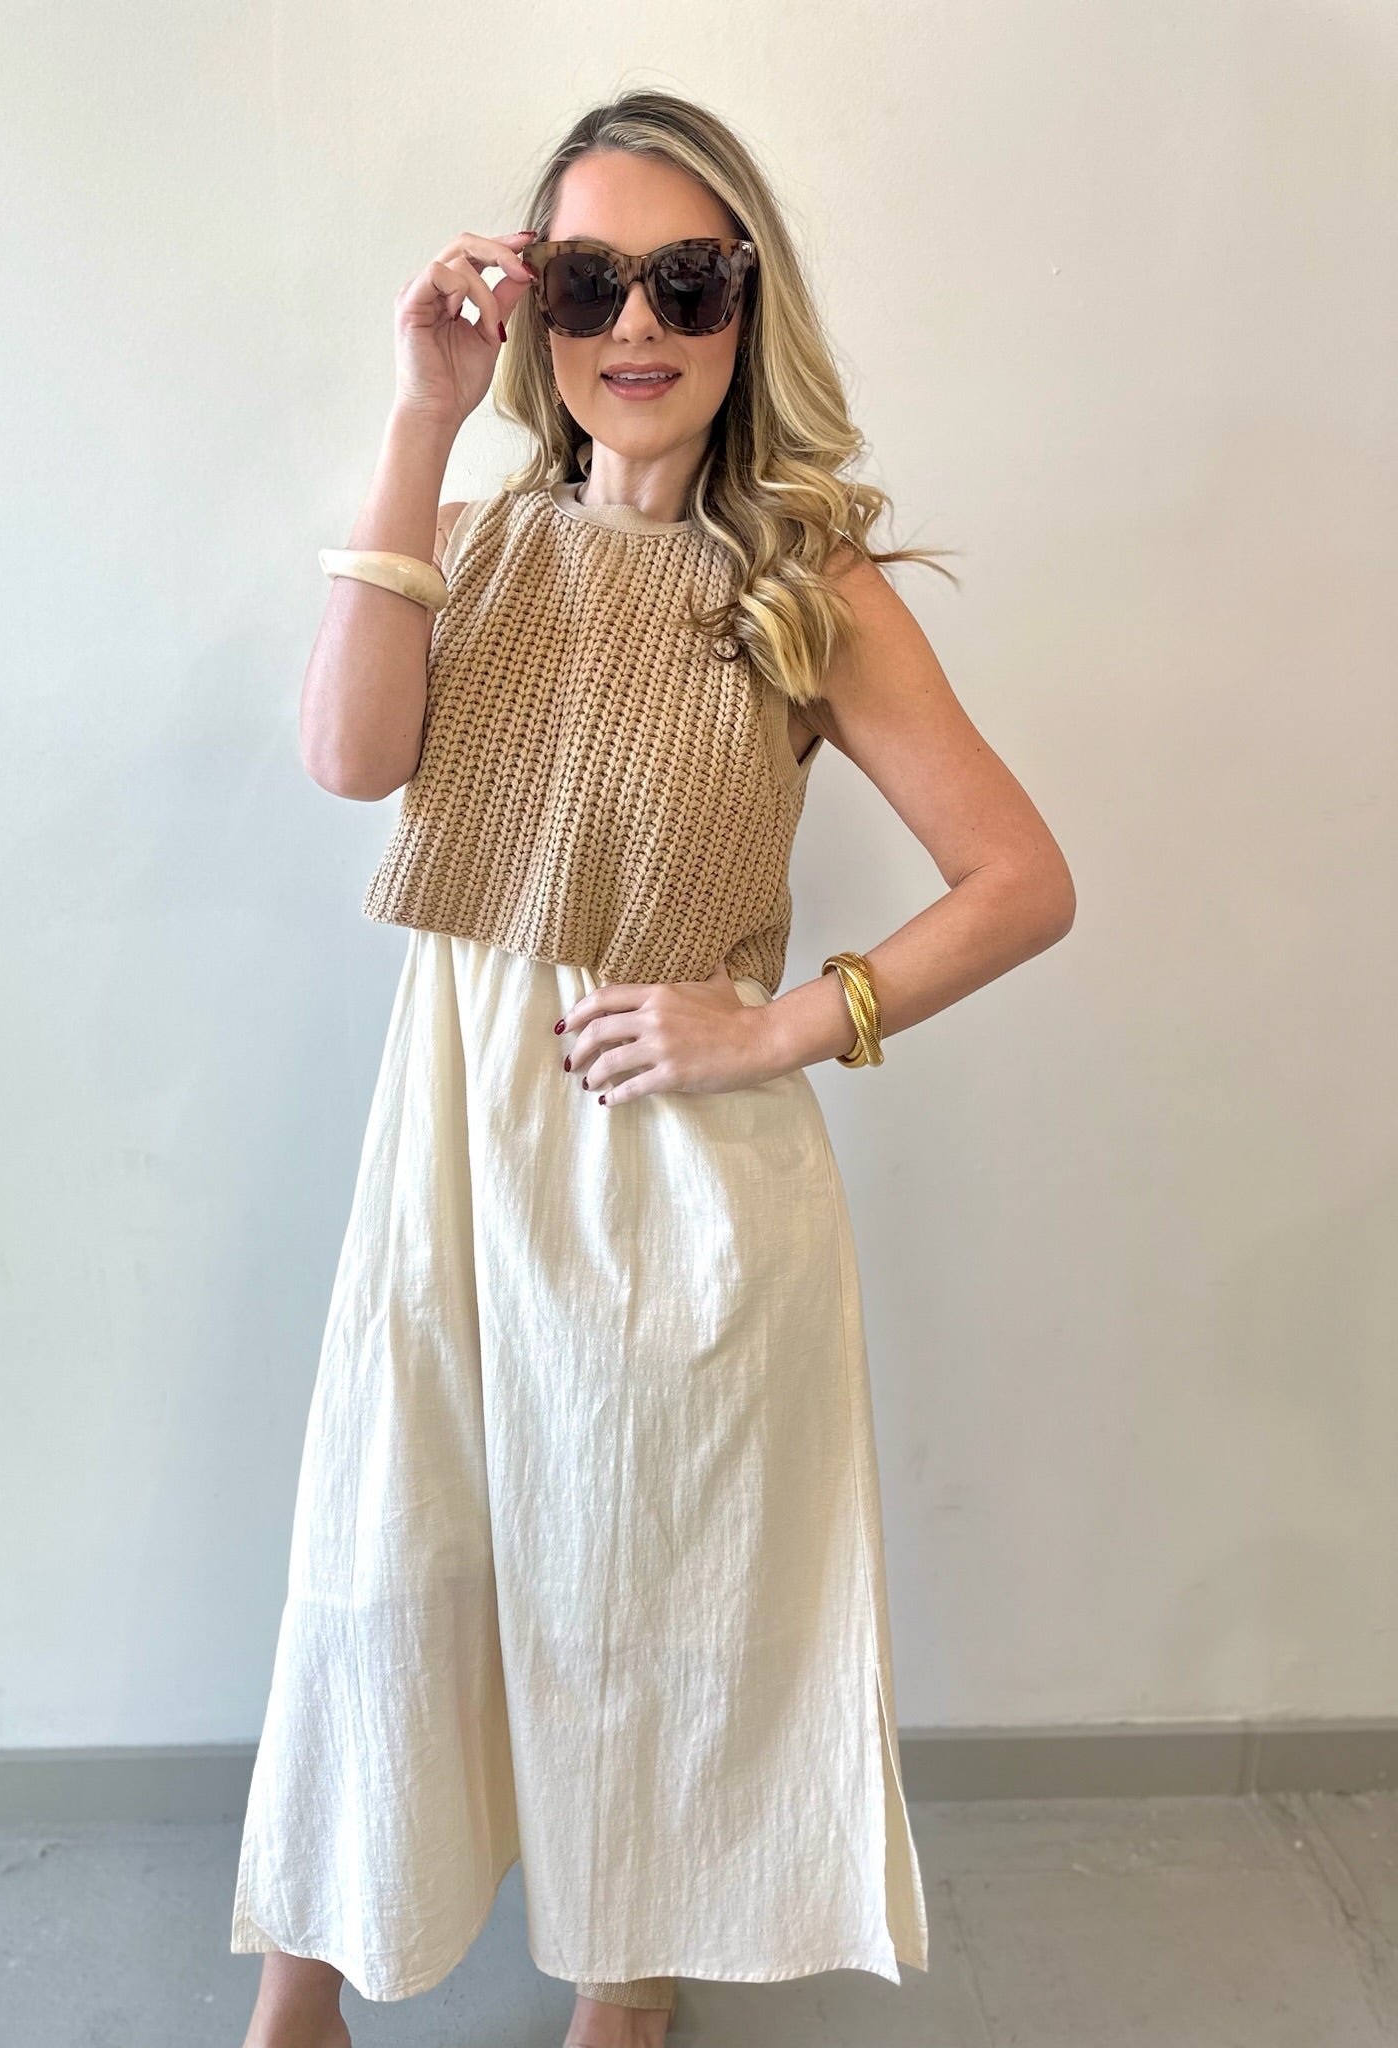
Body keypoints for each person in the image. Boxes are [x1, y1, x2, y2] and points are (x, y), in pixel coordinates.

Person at [231, 88, 1075, 2048]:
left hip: (676, 1170)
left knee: (646, 1577)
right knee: (389, 1542)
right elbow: (350, 761)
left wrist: (779, 1021)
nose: (637, 324)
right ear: (531, 308)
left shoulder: (809, 588)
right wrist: (422, 416)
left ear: (744, 306)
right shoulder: (464, 543)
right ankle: (303, 1986)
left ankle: (631, 1979)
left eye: (685, 280)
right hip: (454, 1143)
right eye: (589, 281)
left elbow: (1021, 881)